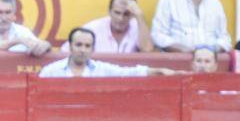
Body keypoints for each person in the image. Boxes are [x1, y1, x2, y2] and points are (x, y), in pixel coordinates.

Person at [40, 27, 177, 77]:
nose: (82, 50)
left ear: (93, 49)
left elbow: (129, 72)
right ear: (69, 47)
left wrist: (158, 71)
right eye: (79, 45)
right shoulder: (50, 71)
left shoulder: (101, 69)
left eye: (87, 46)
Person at [61, 0, 154, 53]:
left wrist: (140, 16)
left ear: (132, 15)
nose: (120, 18)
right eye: (117, 13)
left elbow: (148, 51)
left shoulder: (138, 26)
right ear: (109, 11)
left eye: (126, 14)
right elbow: (65, 51)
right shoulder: (93, 28)